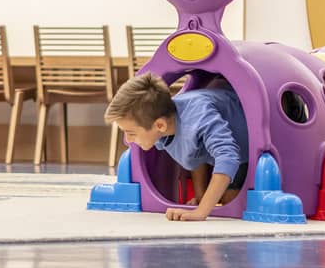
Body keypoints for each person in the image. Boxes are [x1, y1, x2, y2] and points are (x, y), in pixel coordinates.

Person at [105, 74, 249, 221]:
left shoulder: (198, 115)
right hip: (226, 149)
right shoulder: (163, 128)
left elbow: (228, 156)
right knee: (217, 197)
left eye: (131, 133)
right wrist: (200, 198)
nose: (127, 140)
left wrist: (201, 211)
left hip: (245, 142)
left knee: (232, 203)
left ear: (160, 125)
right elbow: (194, 153)